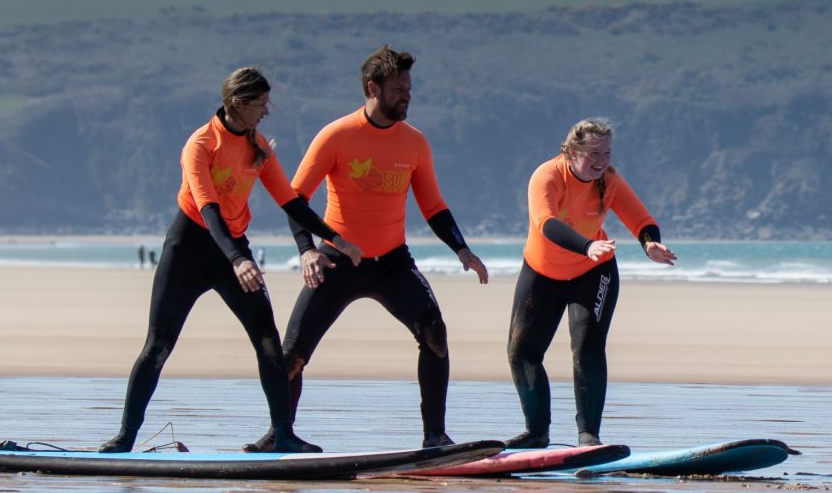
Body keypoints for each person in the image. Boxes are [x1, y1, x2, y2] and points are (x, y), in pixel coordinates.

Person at [101, 67, 361, 454]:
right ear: (237, 104)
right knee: (158, 345)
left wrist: (334, 238)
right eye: (259, 104)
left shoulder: (258, 147)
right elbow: (208, 209)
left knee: (269, 342)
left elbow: (289, 201)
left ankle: (283, 435)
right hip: (189, 248)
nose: (266, 112)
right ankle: (125, 438)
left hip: (232, 250)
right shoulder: (200, 144)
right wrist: (239, 259)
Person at [244, 45, 488, 452]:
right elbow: (295, 198)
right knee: (292, 357)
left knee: (435, 335)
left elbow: (434, 206)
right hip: (338, 260)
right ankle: (279, 436)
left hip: (392, 263)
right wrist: (307, 250)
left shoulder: (414, 143)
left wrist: (461, 250)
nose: (407, 96)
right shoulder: (337, 135)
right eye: (398, 89)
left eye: (409, 88)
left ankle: (435, 437)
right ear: (372, 88)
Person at [506, 118, 677, 449]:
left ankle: (588, 436)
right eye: (594, 153)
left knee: (586, 346)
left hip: (593, 273)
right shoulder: (548, 176)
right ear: (571, 152)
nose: (602, 160)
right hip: (543, 271)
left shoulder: (608, 182)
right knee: (521, 351)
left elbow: (641, 219)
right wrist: (585, 245)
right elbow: (546, 223)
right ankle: (536, 432)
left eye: (607, 153)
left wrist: (649, 244)